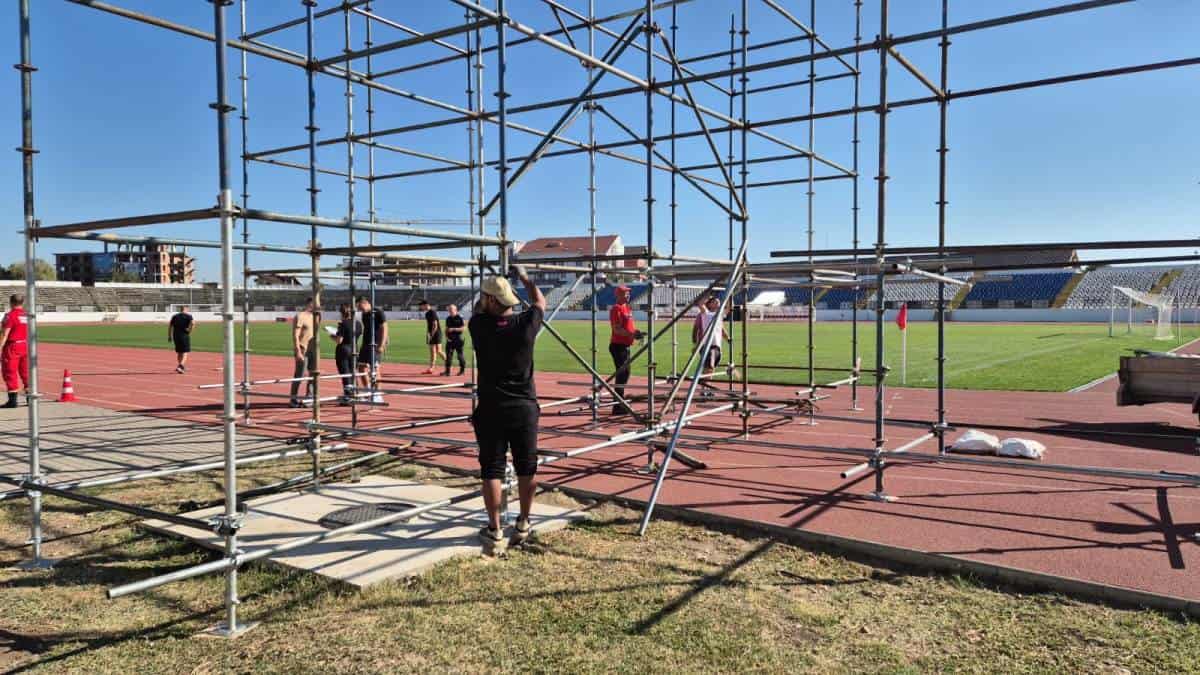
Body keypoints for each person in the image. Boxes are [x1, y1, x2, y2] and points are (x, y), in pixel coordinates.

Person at [469, 264, 546, 554]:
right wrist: (524, 278)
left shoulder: (478, 326)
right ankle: (524, 522)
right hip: (524, 407)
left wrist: (489, 289)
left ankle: (495, 528)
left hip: (490, 408)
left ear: (489, 301)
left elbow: (478, 309)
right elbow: (540, 302)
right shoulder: (527, 324)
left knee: (492, 468)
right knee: (527, 467)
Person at [608, 284, 644, 415]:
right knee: (622, 374)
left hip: (625, 345)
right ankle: (618, 405)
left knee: (625, 374)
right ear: (618, 295)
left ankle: (619, 403)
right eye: (625, 293)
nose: (628, 295)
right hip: (618, 346)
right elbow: (616, 329)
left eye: (628, 293)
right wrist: (632, 334)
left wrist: (636, 332)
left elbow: (628, 327)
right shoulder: (616, 309)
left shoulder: (627, 308)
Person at [692, 294, 728, 391]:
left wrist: (728, 338)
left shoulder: (719, 315)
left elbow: (721, 329)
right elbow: (700, 304)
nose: (718, 303)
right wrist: (708, 295)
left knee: (710, 369)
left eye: (718, 302)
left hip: (716, 346)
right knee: (709, 367)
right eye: (715, 302)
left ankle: (707, 388)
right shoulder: (705, 314)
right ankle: (705, 389)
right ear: (710, 304)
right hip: (708, 345)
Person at [0, 294, 30, 409]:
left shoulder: (10, 316)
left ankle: (12, 401)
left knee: (10, 372)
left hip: (12, 346)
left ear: (11, 302)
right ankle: (29, 399)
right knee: (26, 373)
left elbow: (4, 333)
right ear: (22, 303)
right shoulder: (27, 315)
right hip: (25, 345)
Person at [289, 298, 319, 408]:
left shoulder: (316, 316)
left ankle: (309, 397)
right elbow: (295, 335)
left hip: (314, 349)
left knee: (313, 374)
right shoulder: (300, 316)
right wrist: (297, 351)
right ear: (310, 304)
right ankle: (293, 398)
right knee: (300, 374)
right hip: (302, 348)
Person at [330, 303, 361, 405]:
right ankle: (355, 394)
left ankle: (348, 397)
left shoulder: (343, 323)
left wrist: (332, 336)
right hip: (355, 349)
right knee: (353, 373)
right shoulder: (358, 323)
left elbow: (339, 340)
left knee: (346, 374)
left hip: (344, 349)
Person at [356, 295, 388, 398]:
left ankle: (378, 393)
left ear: (365, 303)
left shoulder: (378, 312)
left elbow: (385, 328)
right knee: (361, 367)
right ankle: (367, 390)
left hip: (375, 344)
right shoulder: (364, 315)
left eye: (360, 307)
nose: (359, 310)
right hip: (365, 344)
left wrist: (382, 344)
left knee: (375, 369)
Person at [420, 299, 445, 375]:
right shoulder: (427, 314)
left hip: (437, 333)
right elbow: (429, 325)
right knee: (432, 352)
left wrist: (432, 334)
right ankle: (431, 368)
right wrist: (428, 334)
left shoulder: (432, 312)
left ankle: (448, 364)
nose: (421, 307)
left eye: (422, 306)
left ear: (426, 305)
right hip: (431, 334)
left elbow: (435, 325)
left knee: (439, 351)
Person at [167, 305, 194, 374]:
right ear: (186, 309)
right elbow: (193, 323)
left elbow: (170, 326)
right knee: (185, 352)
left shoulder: (175, 316)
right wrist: (190, 330)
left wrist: (169, 336)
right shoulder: (189, 316)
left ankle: (180, 368)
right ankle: (181, 366)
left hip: (176, 335)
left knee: (179, 352)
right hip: (184, 335)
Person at [443, 303, 466, 376]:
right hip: (450, 340)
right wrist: (446, 337)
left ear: (455, 310)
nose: (450, 311)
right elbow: (446, 329)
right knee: (448, 356)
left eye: (451, 309)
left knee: (460, 356)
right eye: (449, 310)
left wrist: (454, 329)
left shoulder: (460, 317)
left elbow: (463, 328)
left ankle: (462, 370)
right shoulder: (448, 318)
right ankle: (447, 371)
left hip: (458, 339)